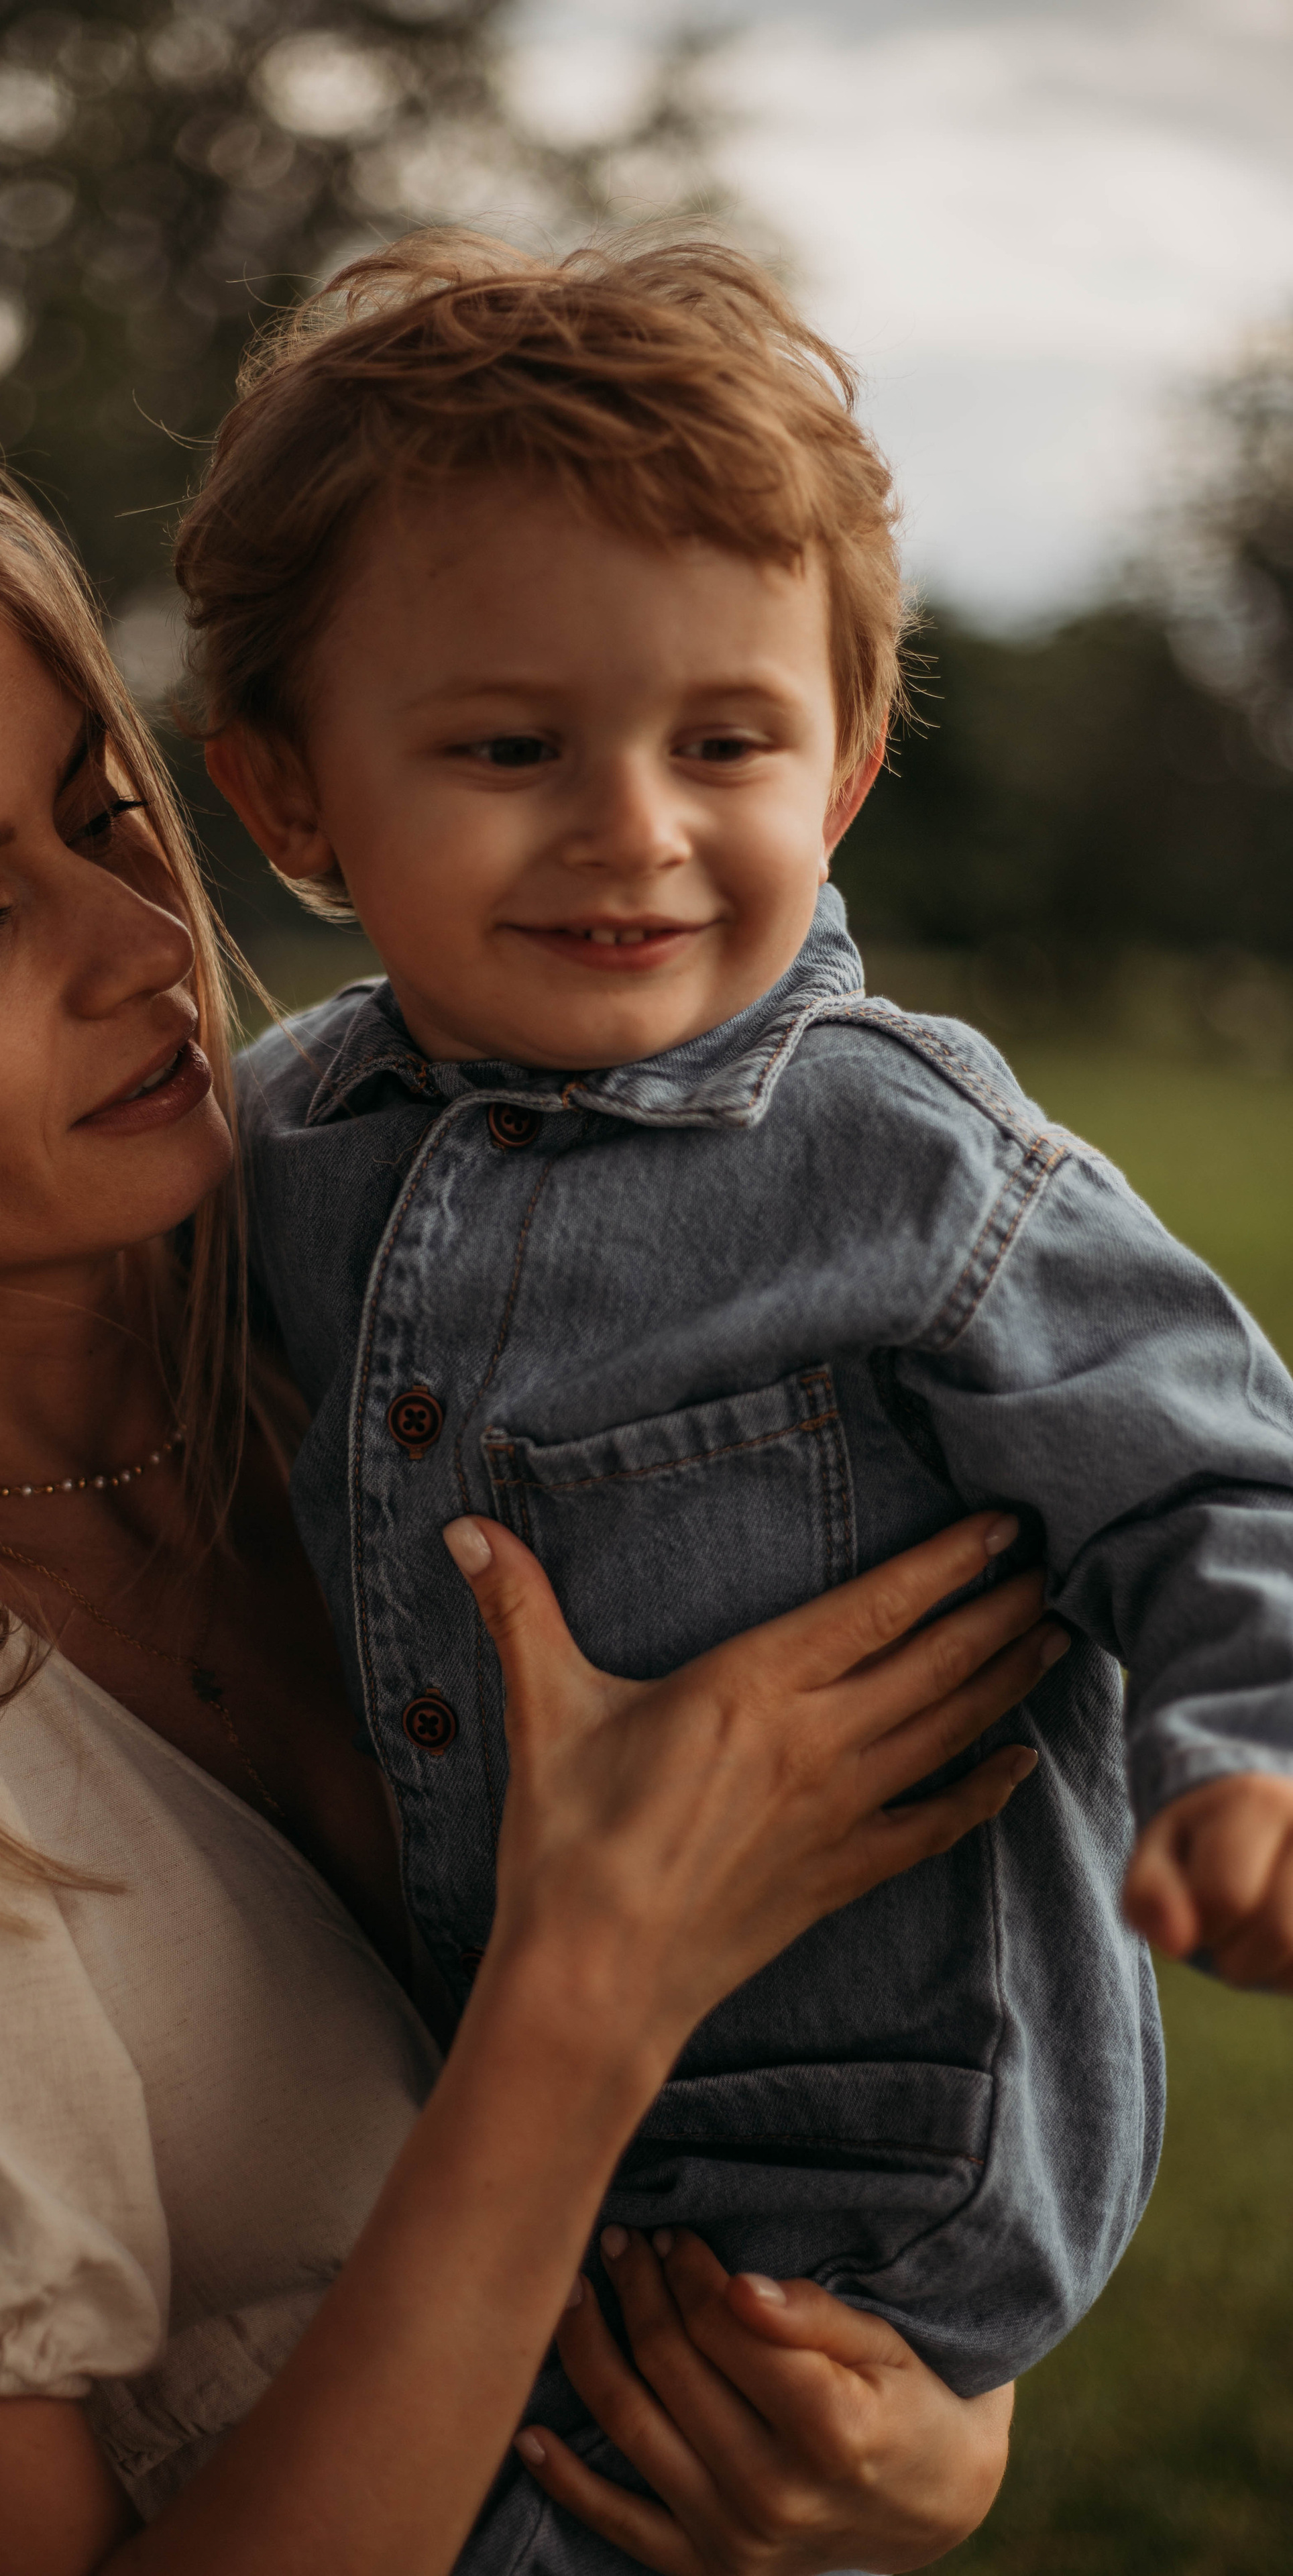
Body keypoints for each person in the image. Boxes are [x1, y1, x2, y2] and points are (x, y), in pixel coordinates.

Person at [0, 466, 1056, 2576]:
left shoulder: (425, 1285)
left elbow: (946, 1970)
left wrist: (931, 2428)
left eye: (101, 820)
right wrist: (585, 1994)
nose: (147, 945)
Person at [192, 231, 1293, 2465]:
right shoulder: (273, 1148)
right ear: (295, 798)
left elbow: (1217, 1476)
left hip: (838, 2190)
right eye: (512, 745)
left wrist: (1249, 1755)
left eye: (727, 741)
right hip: (462, 2113)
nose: (633, 826)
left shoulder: (906, 1160)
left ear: (852, 767)